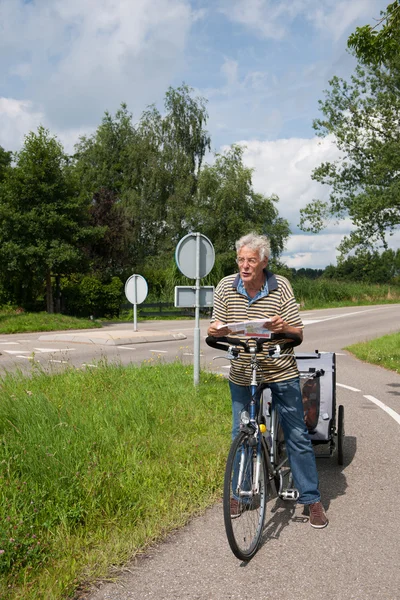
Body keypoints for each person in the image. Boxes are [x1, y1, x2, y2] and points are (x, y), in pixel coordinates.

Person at [207, 232, 328, 529]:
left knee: (297, 433)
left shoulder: (281, 286)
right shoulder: (225, 286)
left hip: (279, 368)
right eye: (240, 259)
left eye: (251, 260)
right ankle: (239, 492)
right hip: (243, 369)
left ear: (264, 262)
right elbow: (214, 325)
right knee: (241, 430)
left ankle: (311, 499)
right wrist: (218, 331)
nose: (244, 266)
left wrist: (282, 326)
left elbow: (298, 333)